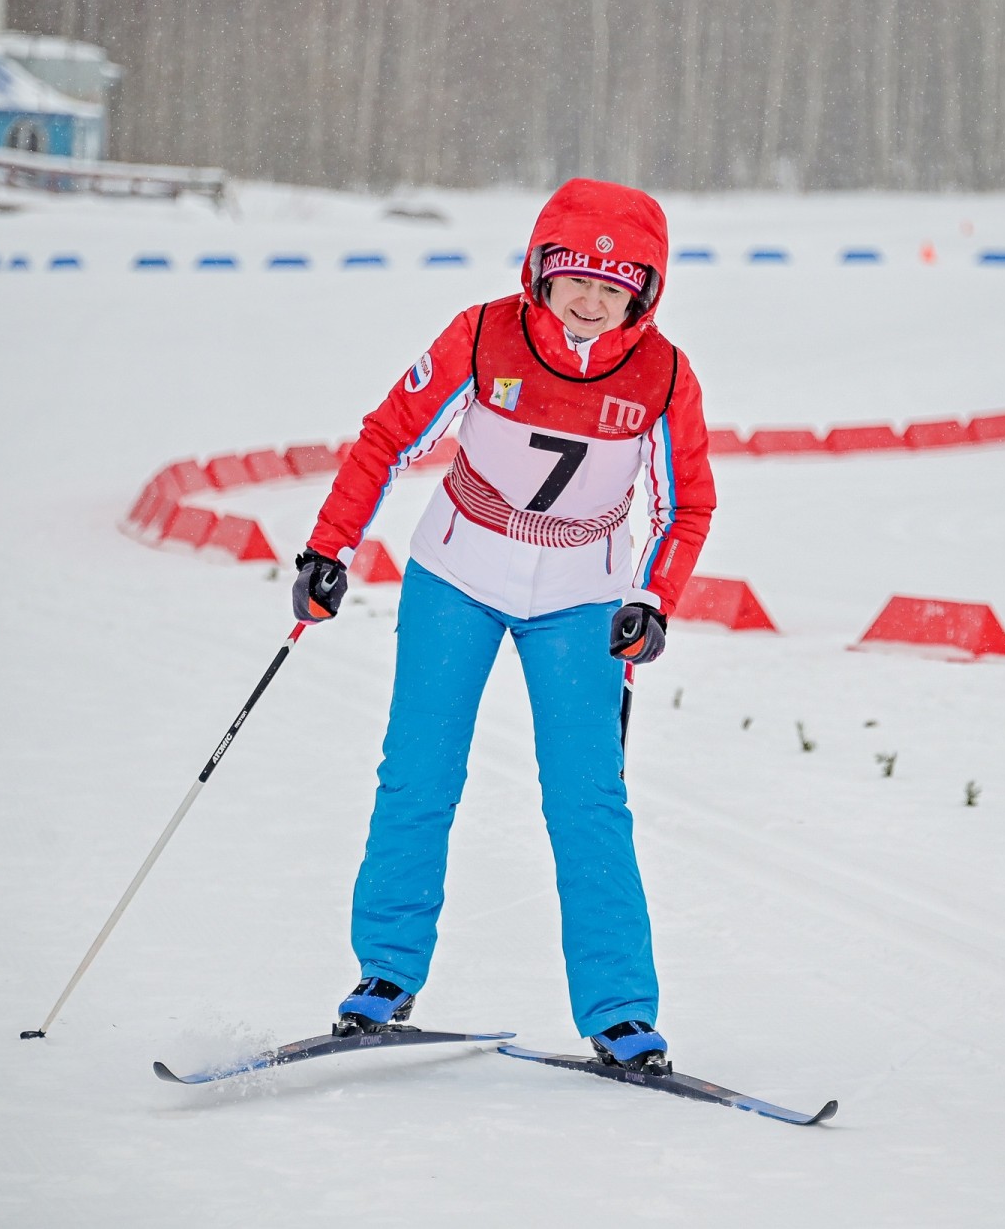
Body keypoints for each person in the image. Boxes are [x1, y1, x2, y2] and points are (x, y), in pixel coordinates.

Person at [292, 178, 715, 1074]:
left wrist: (652, 598)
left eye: (614, 287)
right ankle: (385, 980)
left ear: (643, 293)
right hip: (459, 572)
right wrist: (330, 547)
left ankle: (621, 1013)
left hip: (583, 596)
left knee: (588, 801)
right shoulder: (485, 333)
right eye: (575, 280)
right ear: (540, 273)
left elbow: (687, 508)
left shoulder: (665, 375)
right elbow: (388, 436)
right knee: (418, 774)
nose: (591, 302)